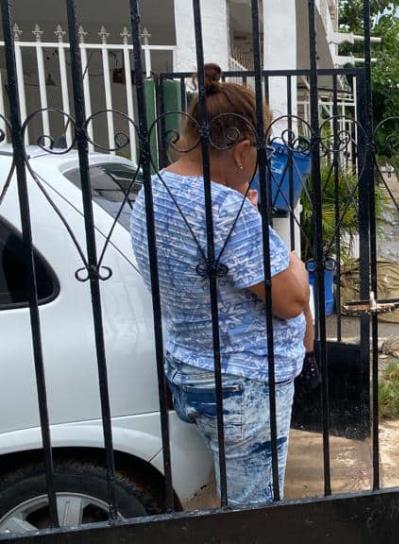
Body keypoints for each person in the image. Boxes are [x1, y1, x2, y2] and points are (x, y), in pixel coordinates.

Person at [130, 64, 312, 507]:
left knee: (229, 496)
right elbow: (291, 299)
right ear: (242, 149)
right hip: (242, 386)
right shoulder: (225, 210)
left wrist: (242, 211)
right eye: (261, 153)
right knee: (254, 513)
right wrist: (295, 263)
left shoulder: (155, 189)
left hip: (190, 368)